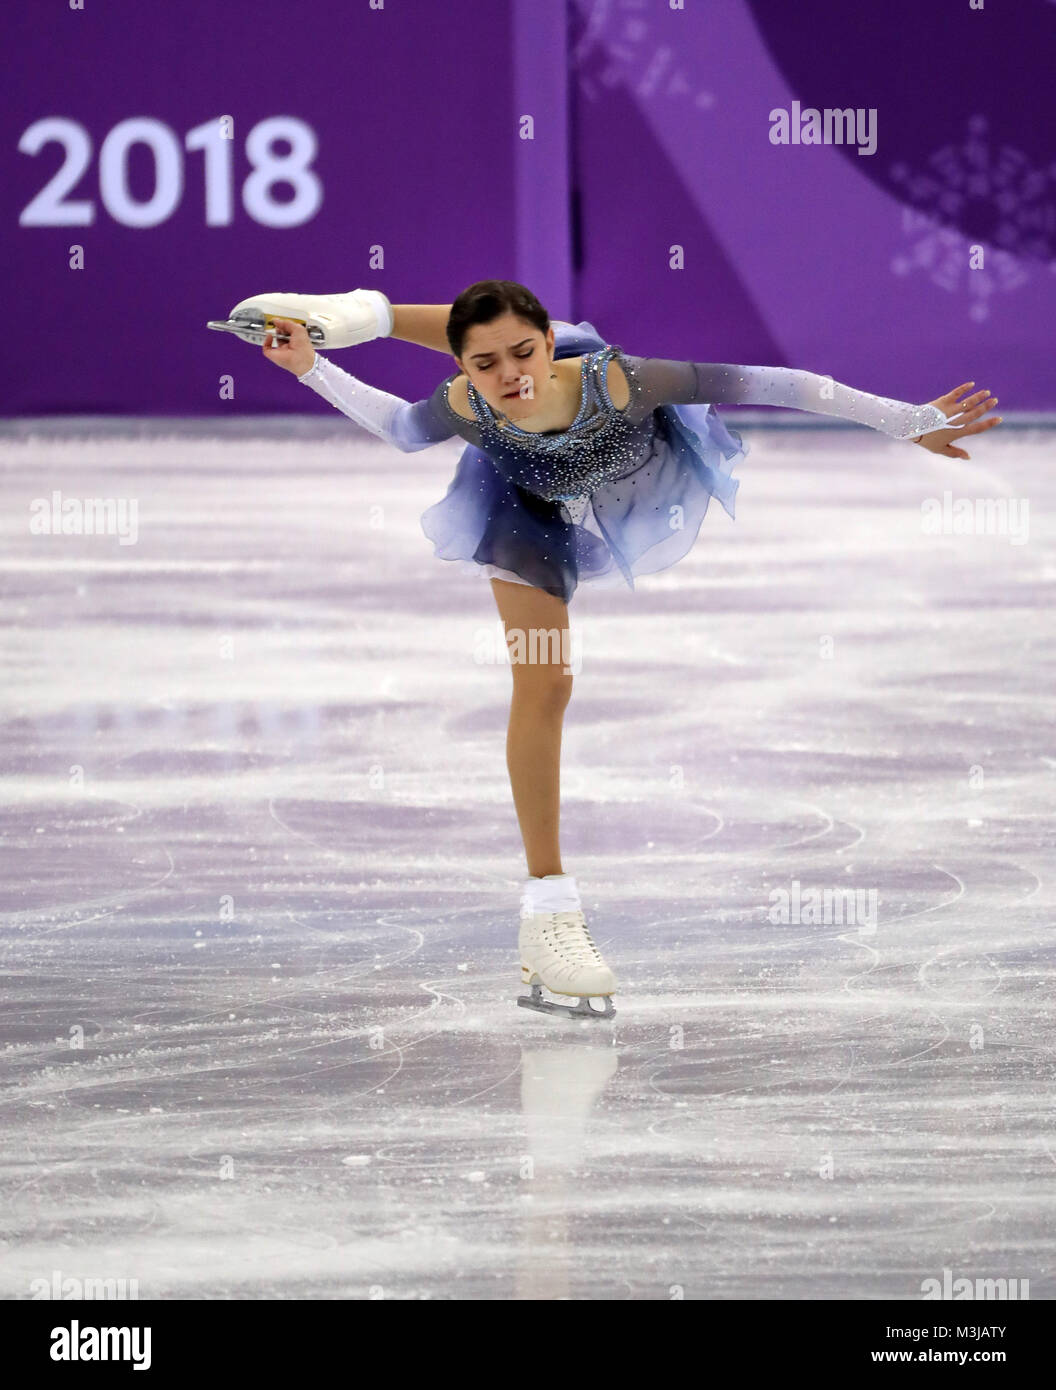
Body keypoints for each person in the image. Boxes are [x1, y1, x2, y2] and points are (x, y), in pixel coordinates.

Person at [212, 280, 1002, 1018]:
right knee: (546, 687)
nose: (511, 374)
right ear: (460, 371)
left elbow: (782, 385)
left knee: (513, 333)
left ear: (546, 343)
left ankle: (371, 313)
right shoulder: (464, 399)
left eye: (525, 353)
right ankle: (548, 912)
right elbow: (397, 429)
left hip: (625, 455)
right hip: (521, 505)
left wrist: (906, 420)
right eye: (484, 364)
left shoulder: (624, 381)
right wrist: (312, 367)